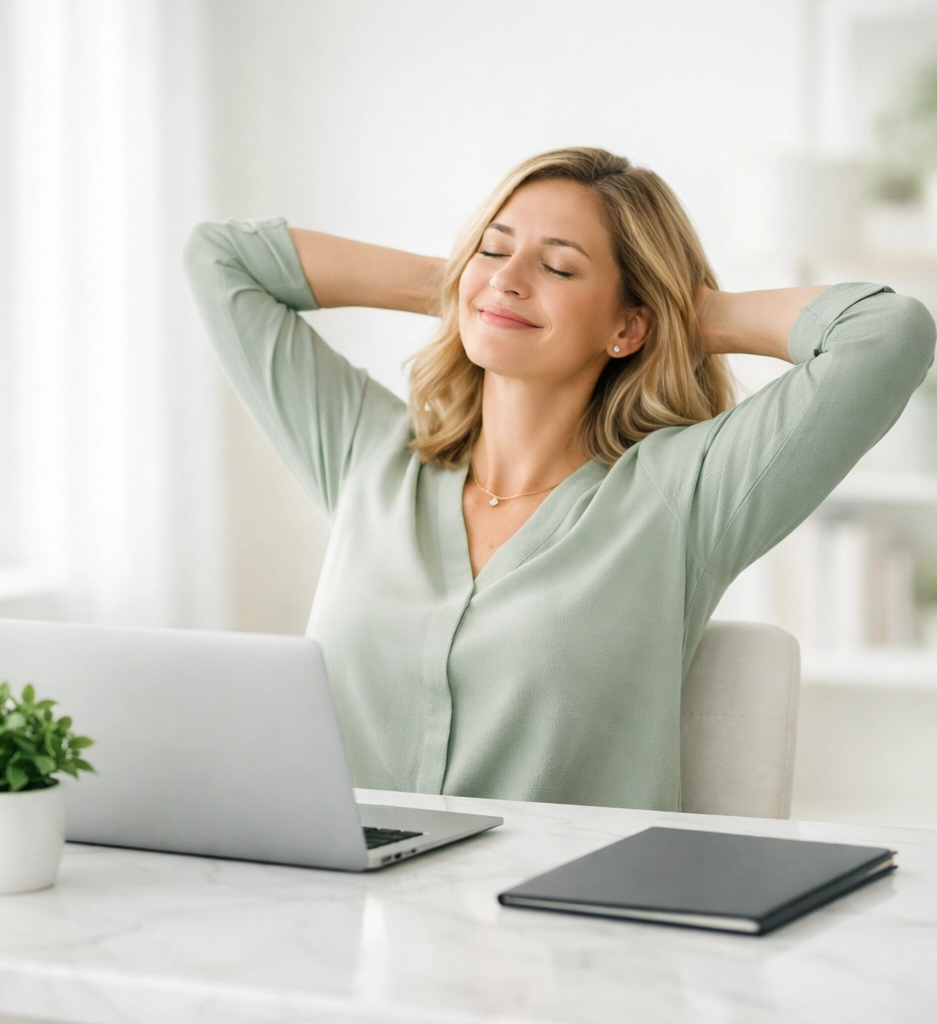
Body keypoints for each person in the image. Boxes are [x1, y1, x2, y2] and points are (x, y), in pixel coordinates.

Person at [184, 147, 935, 811]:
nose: (511, 278)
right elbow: (220, 259)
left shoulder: (679, 496)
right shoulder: (369, 456)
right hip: (345, 929)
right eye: (493, 246)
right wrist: (468, 287)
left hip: (571, 945)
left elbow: (887, 335)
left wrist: (682, 313)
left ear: (627, 327)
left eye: (560, 266)